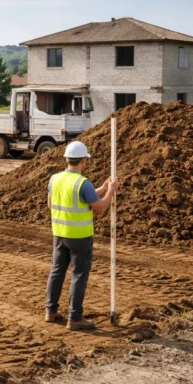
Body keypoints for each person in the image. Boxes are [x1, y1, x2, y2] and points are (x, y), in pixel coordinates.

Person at [45, 141, 119, 331]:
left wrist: (100, 190)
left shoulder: (55, 179)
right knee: (79, 275)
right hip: (79, 237)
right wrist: (111, 191)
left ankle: (50, 312)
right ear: (83, 161)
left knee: (57, 271)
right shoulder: (83, 183)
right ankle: (75, 318)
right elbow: (101, 208)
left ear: (68, 159)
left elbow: (53, 203)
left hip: (59, 234)